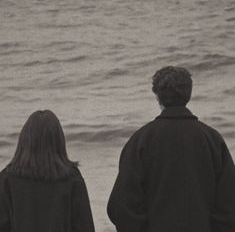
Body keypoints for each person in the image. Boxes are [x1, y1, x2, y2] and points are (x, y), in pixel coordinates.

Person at [107, 66, 235, 232]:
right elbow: (229, 204)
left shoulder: (141, 140)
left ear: (157, 96)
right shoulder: (212, 139)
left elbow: (122, 206)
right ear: (189, 94)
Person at [0, 110, 95, 232]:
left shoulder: (6, 179)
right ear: (59, 141)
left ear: (24, 140)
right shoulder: (71, 178)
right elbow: (85, 227)